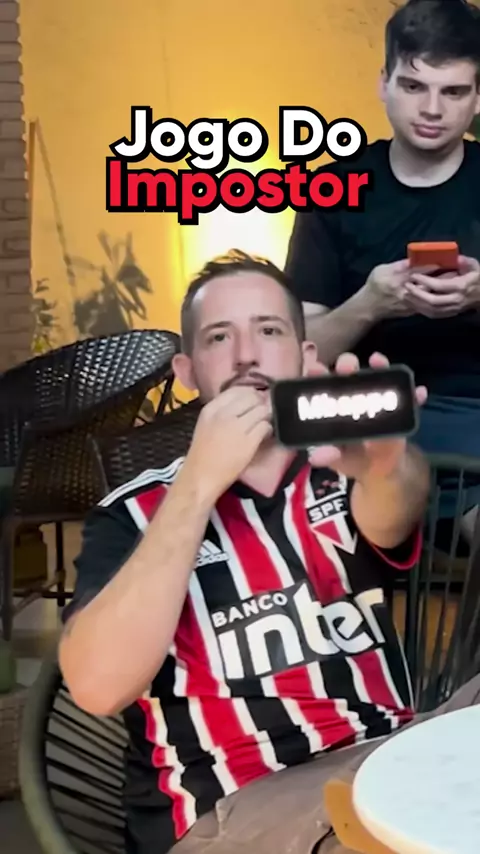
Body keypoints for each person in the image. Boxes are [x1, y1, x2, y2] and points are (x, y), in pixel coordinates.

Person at [59, 250, 480, 854]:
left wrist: (388, 463)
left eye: (269, 331)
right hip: (236, 803)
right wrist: (197, 485)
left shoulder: (337, 471)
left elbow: (395, 505)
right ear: (187, 370)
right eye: (219, 337)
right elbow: (99, 687)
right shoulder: (132, 512)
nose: (246, 355)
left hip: (388, 760)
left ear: (305, 356)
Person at [284, 0, 480, 532]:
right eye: (414, 86)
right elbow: (301, 354)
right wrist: (369, 304)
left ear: (477, 97)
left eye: (453, 91)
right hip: (363, 416)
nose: (432, 109)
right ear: (383, 83)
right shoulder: (332, 190)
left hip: (471, 416)